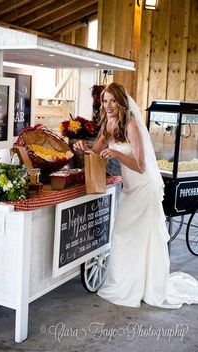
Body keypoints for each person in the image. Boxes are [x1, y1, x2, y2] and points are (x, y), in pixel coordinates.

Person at [74, 82, 198, 308]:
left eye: (112, 100)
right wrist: (81, 147)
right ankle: (130, 284)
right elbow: (95, 153)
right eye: (105, 100)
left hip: (143, 187)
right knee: (126, 236)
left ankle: (141, 287)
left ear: (121, 101)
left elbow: (141, 165)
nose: (108, 105)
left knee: (129, 235)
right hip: (131, 189)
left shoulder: (130, 124)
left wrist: (116, 155)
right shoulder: (107, 124)